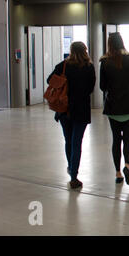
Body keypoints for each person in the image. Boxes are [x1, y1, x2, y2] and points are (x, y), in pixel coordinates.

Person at [47, 41, 96, 190]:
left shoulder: (63, 65)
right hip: (80, 110)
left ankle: (71, 167)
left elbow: (49, 80)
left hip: (64, 108)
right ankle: (74, 175)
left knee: (68, 140)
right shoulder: (88, 67)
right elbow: (91, 88)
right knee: (77, 143)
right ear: (85, 51)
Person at [100, 32, 129, 186]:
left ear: (109, 44)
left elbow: (102, 86)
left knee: (116, 140)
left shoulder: (104, 62)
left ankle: (117, 172)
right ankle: (127, 166)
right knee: (128, 139)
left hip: (113, 107)